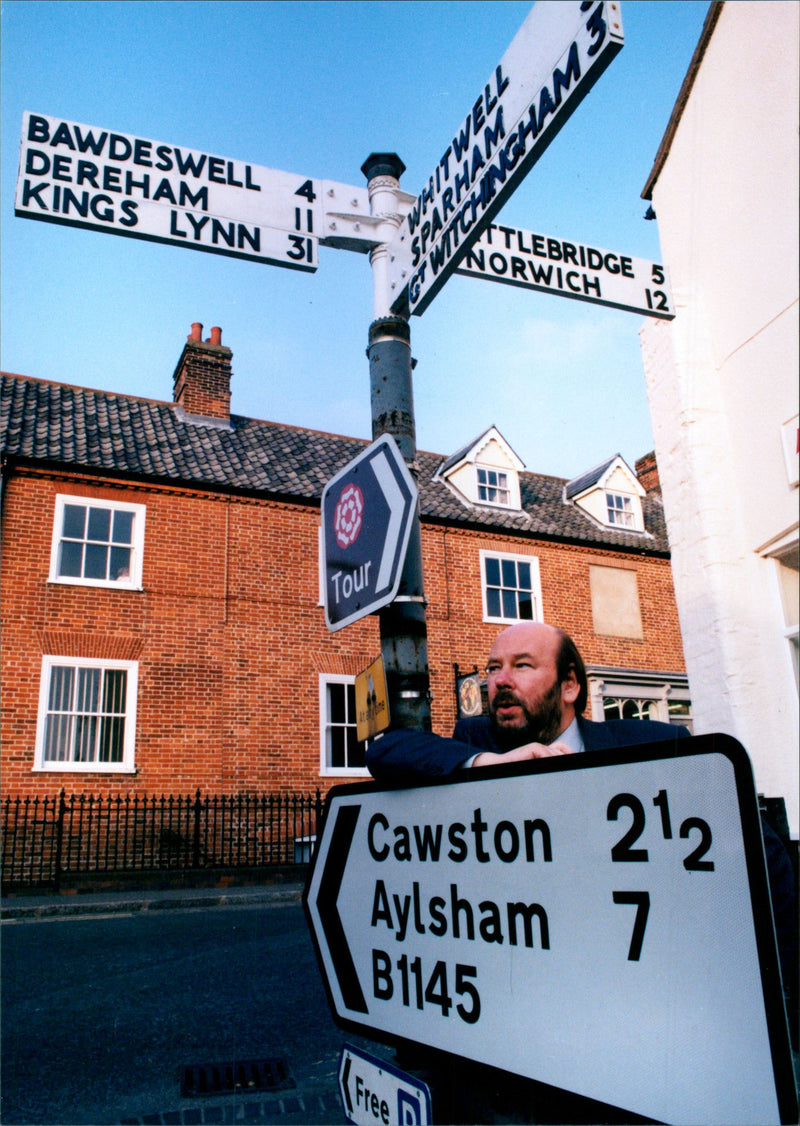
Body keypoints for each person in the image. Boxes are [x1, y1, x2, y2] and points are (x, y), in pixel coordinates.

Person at [366, 621, 689, 785]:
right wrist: (488, 762)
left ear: (569, 685)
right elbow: (385, 751)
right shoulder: (474, 738)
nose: (500, 680)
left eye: (522, 665)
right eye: (494, 668)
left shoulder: (654, 743)